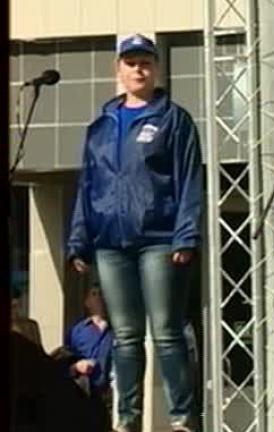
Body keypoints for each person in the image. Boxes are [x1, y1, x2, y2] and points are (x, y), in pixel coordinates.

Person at [65, 33, 203, 432]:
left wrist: (186, 235)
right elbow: (87, 187)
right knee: (125, 336)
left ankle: (182, 418)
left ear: (156, 68)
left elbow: (189, 181)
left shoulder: (173, 119)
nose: (138, 69)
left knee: (166, 332)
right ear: (119, 70)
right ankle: (126, 419)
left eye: (145, 62)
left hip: (159, 239)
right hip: (111, 243)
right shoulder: (100, 127)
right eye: (131, 62)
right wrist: (78, 240)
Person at [51, 283, 115, 423]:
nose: (99, 298)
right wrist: (76, 366)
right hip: (84, 394)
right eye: (94, 294)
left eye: (103, 293)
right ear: (87, 302)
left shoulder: (118, 330)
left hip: (111, 397)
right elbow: (64, 361)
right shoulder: (77, 331)